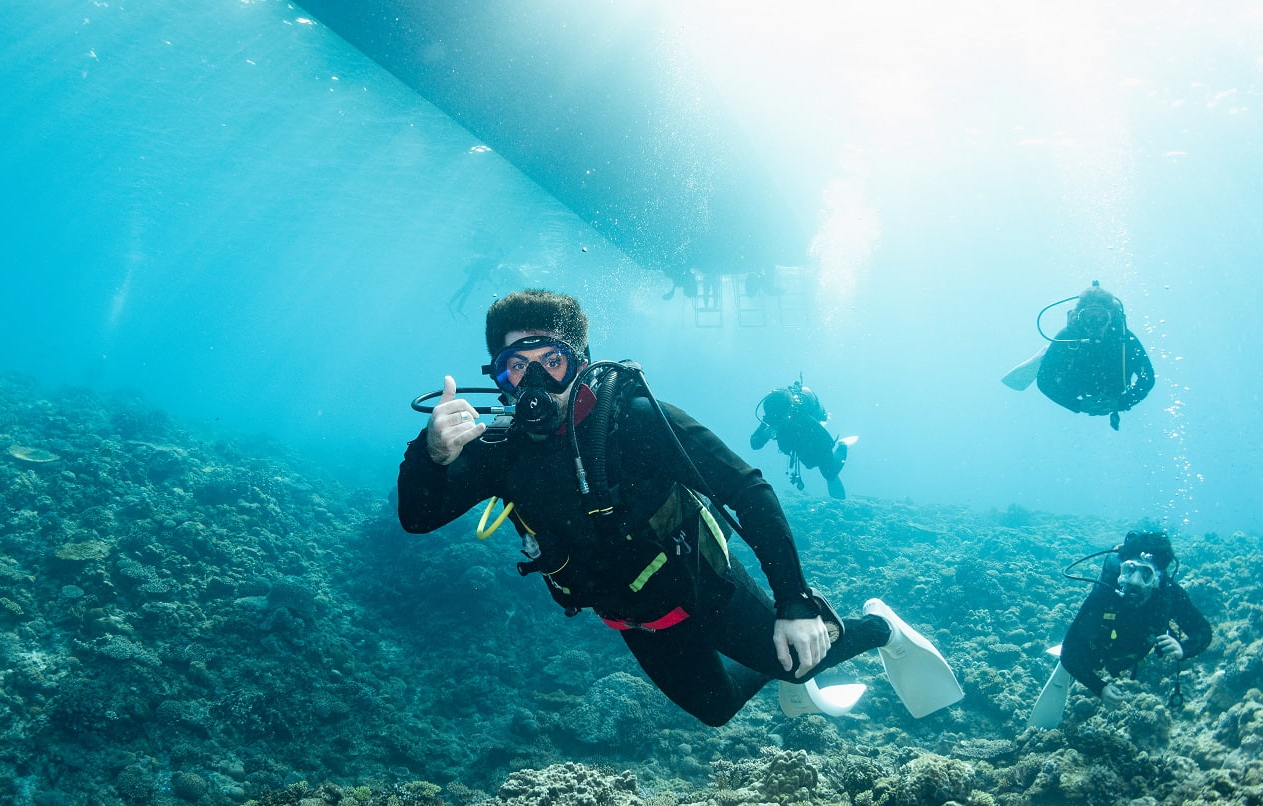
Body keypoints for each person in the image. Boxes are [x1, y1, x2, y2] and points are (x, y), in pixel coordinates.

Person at [397, 289, 963, 727]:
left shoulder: (637, 422)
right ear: (496, 374)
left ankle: (878, 628)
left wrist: (793, 601)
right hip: (633, 614)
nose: (536, 381)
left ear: (582, 363)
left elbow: (748, 490)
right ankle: (779, 666)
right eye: (516, 366)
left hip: (702, 581)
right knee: (714, 710)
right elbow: (417, 517)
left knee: (797, 658)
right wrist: (431, 454)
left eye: (553, 361)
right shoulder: (498, 450)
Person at [1028, 528, 1212, 729]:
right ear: (1122, 569)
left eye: (1145, 574)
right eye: (1129, 570)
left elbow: (1202, 631)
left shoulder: (1169, 596)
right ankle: (1078, 669)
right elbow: (1069, 652)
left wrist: (1185, 648)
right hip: (1099, 648)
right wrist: (1100, 688)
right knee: (1079, 656)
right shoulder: (1105, 593)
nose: (1134, 581)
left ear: (1158, 578)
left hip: (1134, 653)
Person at [1033, 283, 1155, 431]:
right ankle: (1045, 356)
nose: (1095, 324)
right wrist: (1076, 404)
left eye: (1101, 317)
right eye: (1089, 317)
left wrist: (1121, 402)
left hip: (1113, 389)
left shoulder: (1124, 339)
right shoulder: (1067, 337)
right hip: (1074, 384)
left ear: (1110, 318)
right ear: (1080, 318)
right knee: (1055, 366)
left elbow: (1147, 377)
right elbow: (1044, 380)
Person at [750, 378, 852, 498]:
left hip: (812, 439)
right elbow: (754, 443)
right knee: (811, 464)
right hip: (798, 443)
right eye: (772, 418)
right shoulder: (771, 417)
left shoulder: (804, 418)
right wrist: (765, 435)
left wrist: (826, 462)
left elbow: (826, 441)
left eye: (779, 418)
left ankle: (843, 444)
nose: (775, 422)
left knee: (829, 474)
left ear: (788, 412)